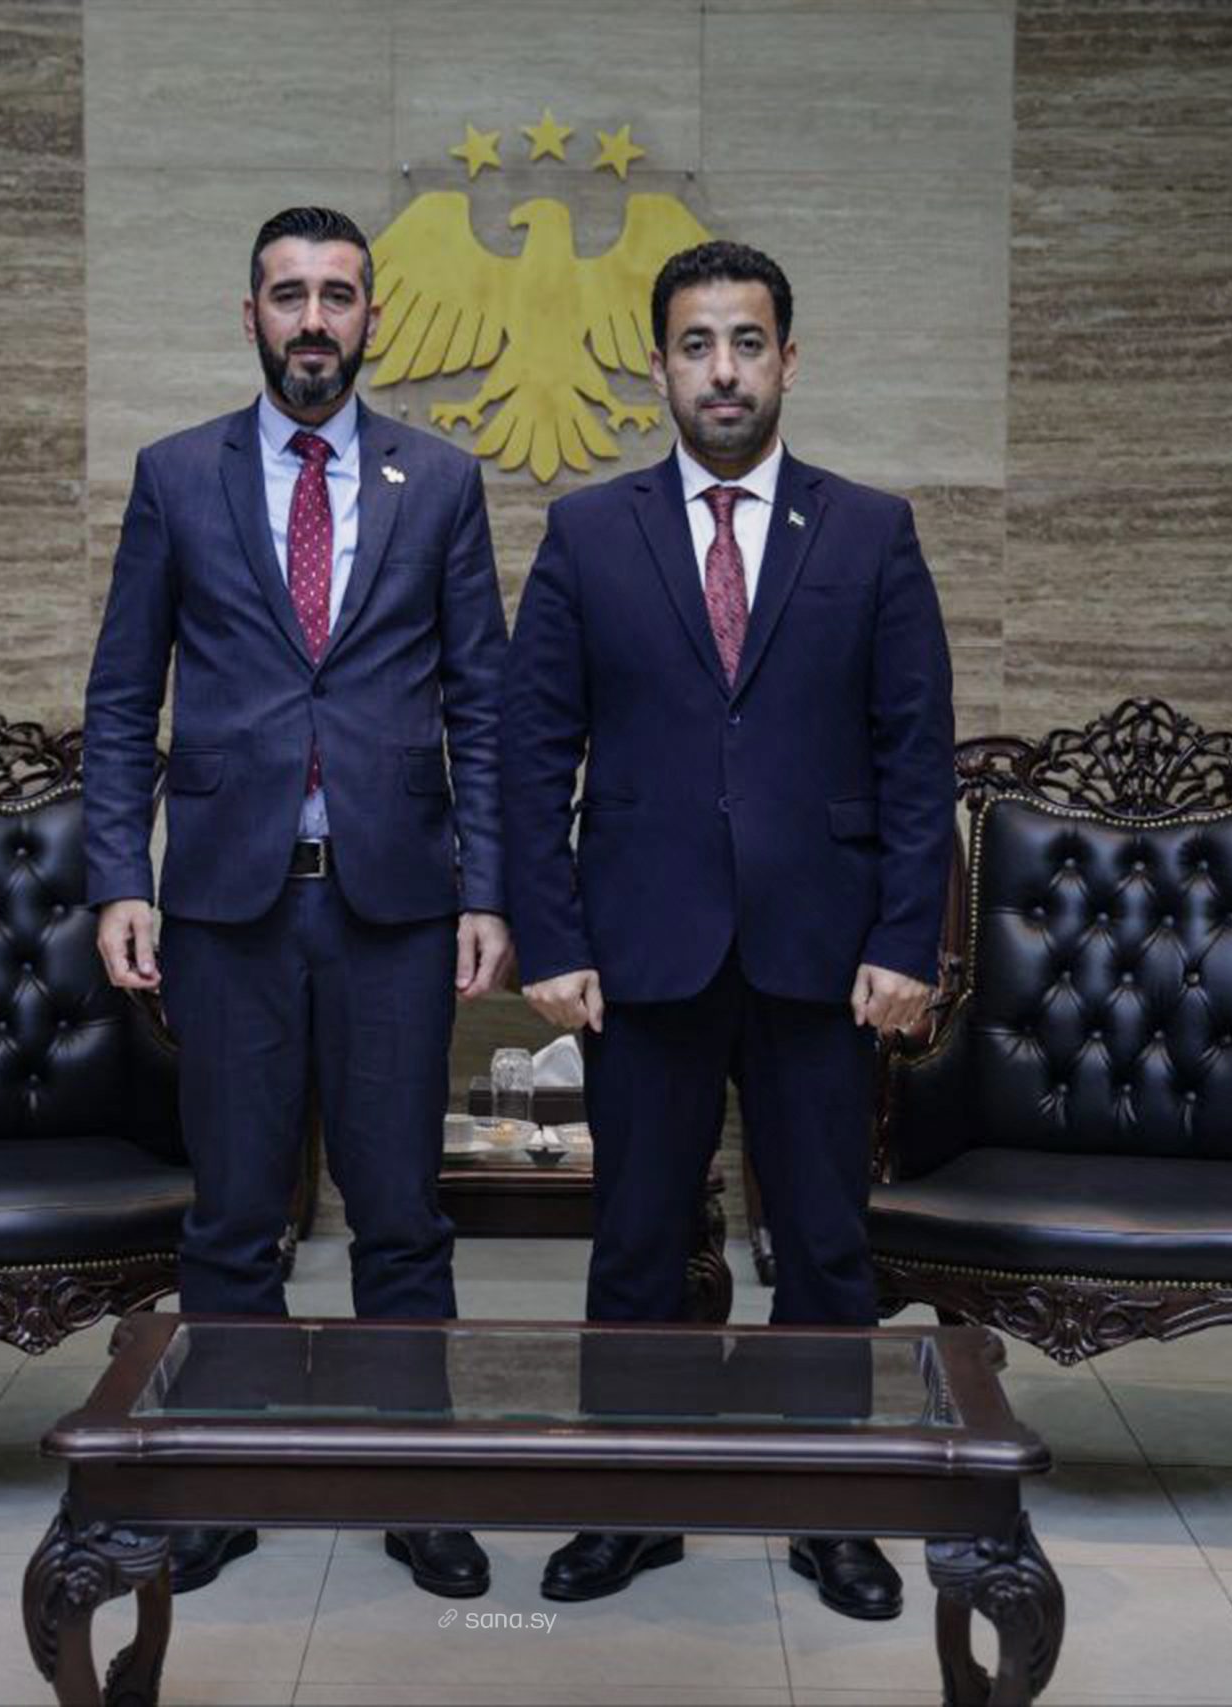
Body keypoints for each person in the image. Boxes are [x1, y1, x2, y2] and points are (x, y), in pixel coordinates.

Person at [501, 241, 955, 1619]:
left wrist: (907, 941)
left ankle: (831, 1515)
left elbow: (915, 759)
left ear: (789, 363)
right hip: (645, 952)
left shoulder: (870, 532)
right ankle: (632, 1509)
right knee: (637, 1243)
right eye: (697, 344)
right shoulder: (590, 533)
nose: (723, 370)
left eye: (748, 343)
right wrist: (551, 939)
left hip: (825, 956)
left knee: (823, 1246)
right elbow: (532, 755)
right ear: (658, 367)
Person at [83, 205, 512, 1599]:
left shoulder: (438, 481)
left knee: (401, 1217)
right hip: (225, 907)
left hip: (396, 908)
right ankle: (226, 1484)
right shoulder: (175, 476)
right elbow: (120, 699)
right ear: (251, 315)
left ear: (371, 316)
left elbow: (485, 706)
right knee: (232, 1217)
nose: (314, 319)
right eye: (289, 295)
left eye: (337, 294)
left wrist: (489, 888)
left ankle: (417, 1489)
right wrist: (119, 876)